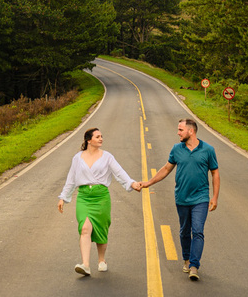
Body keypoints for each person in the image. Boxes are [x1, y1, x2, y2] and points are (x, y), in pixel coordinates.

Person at [139, 118, 220, 281]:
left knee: (197, 231)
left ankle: (194, 265)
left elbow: (215, 173)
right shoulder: (177, 149)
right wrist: (148, 183)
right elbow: (166, 169)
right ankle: (186, 259)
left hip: (201, 198)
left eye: (181, 130)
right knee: (184, 231)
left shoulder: (208, 150)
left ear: (191, 131)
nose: (178, 133)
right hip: (182, 197)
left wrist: (215, 197)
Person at [57, 127, 141, 276]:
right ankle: (85, 265)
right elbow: (71, 179)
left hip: (101, 197)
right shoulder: (77, 158)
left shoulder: (107, 157)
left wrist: (132, 183)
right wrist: (63, 197)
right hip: (84, 197)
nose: (101, 139)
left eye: (101, 136)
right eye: (97, 137)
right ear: (89, 140)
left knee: (101, 229)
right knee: (84, 228)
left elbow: (119, 172)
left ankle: (102, 260)